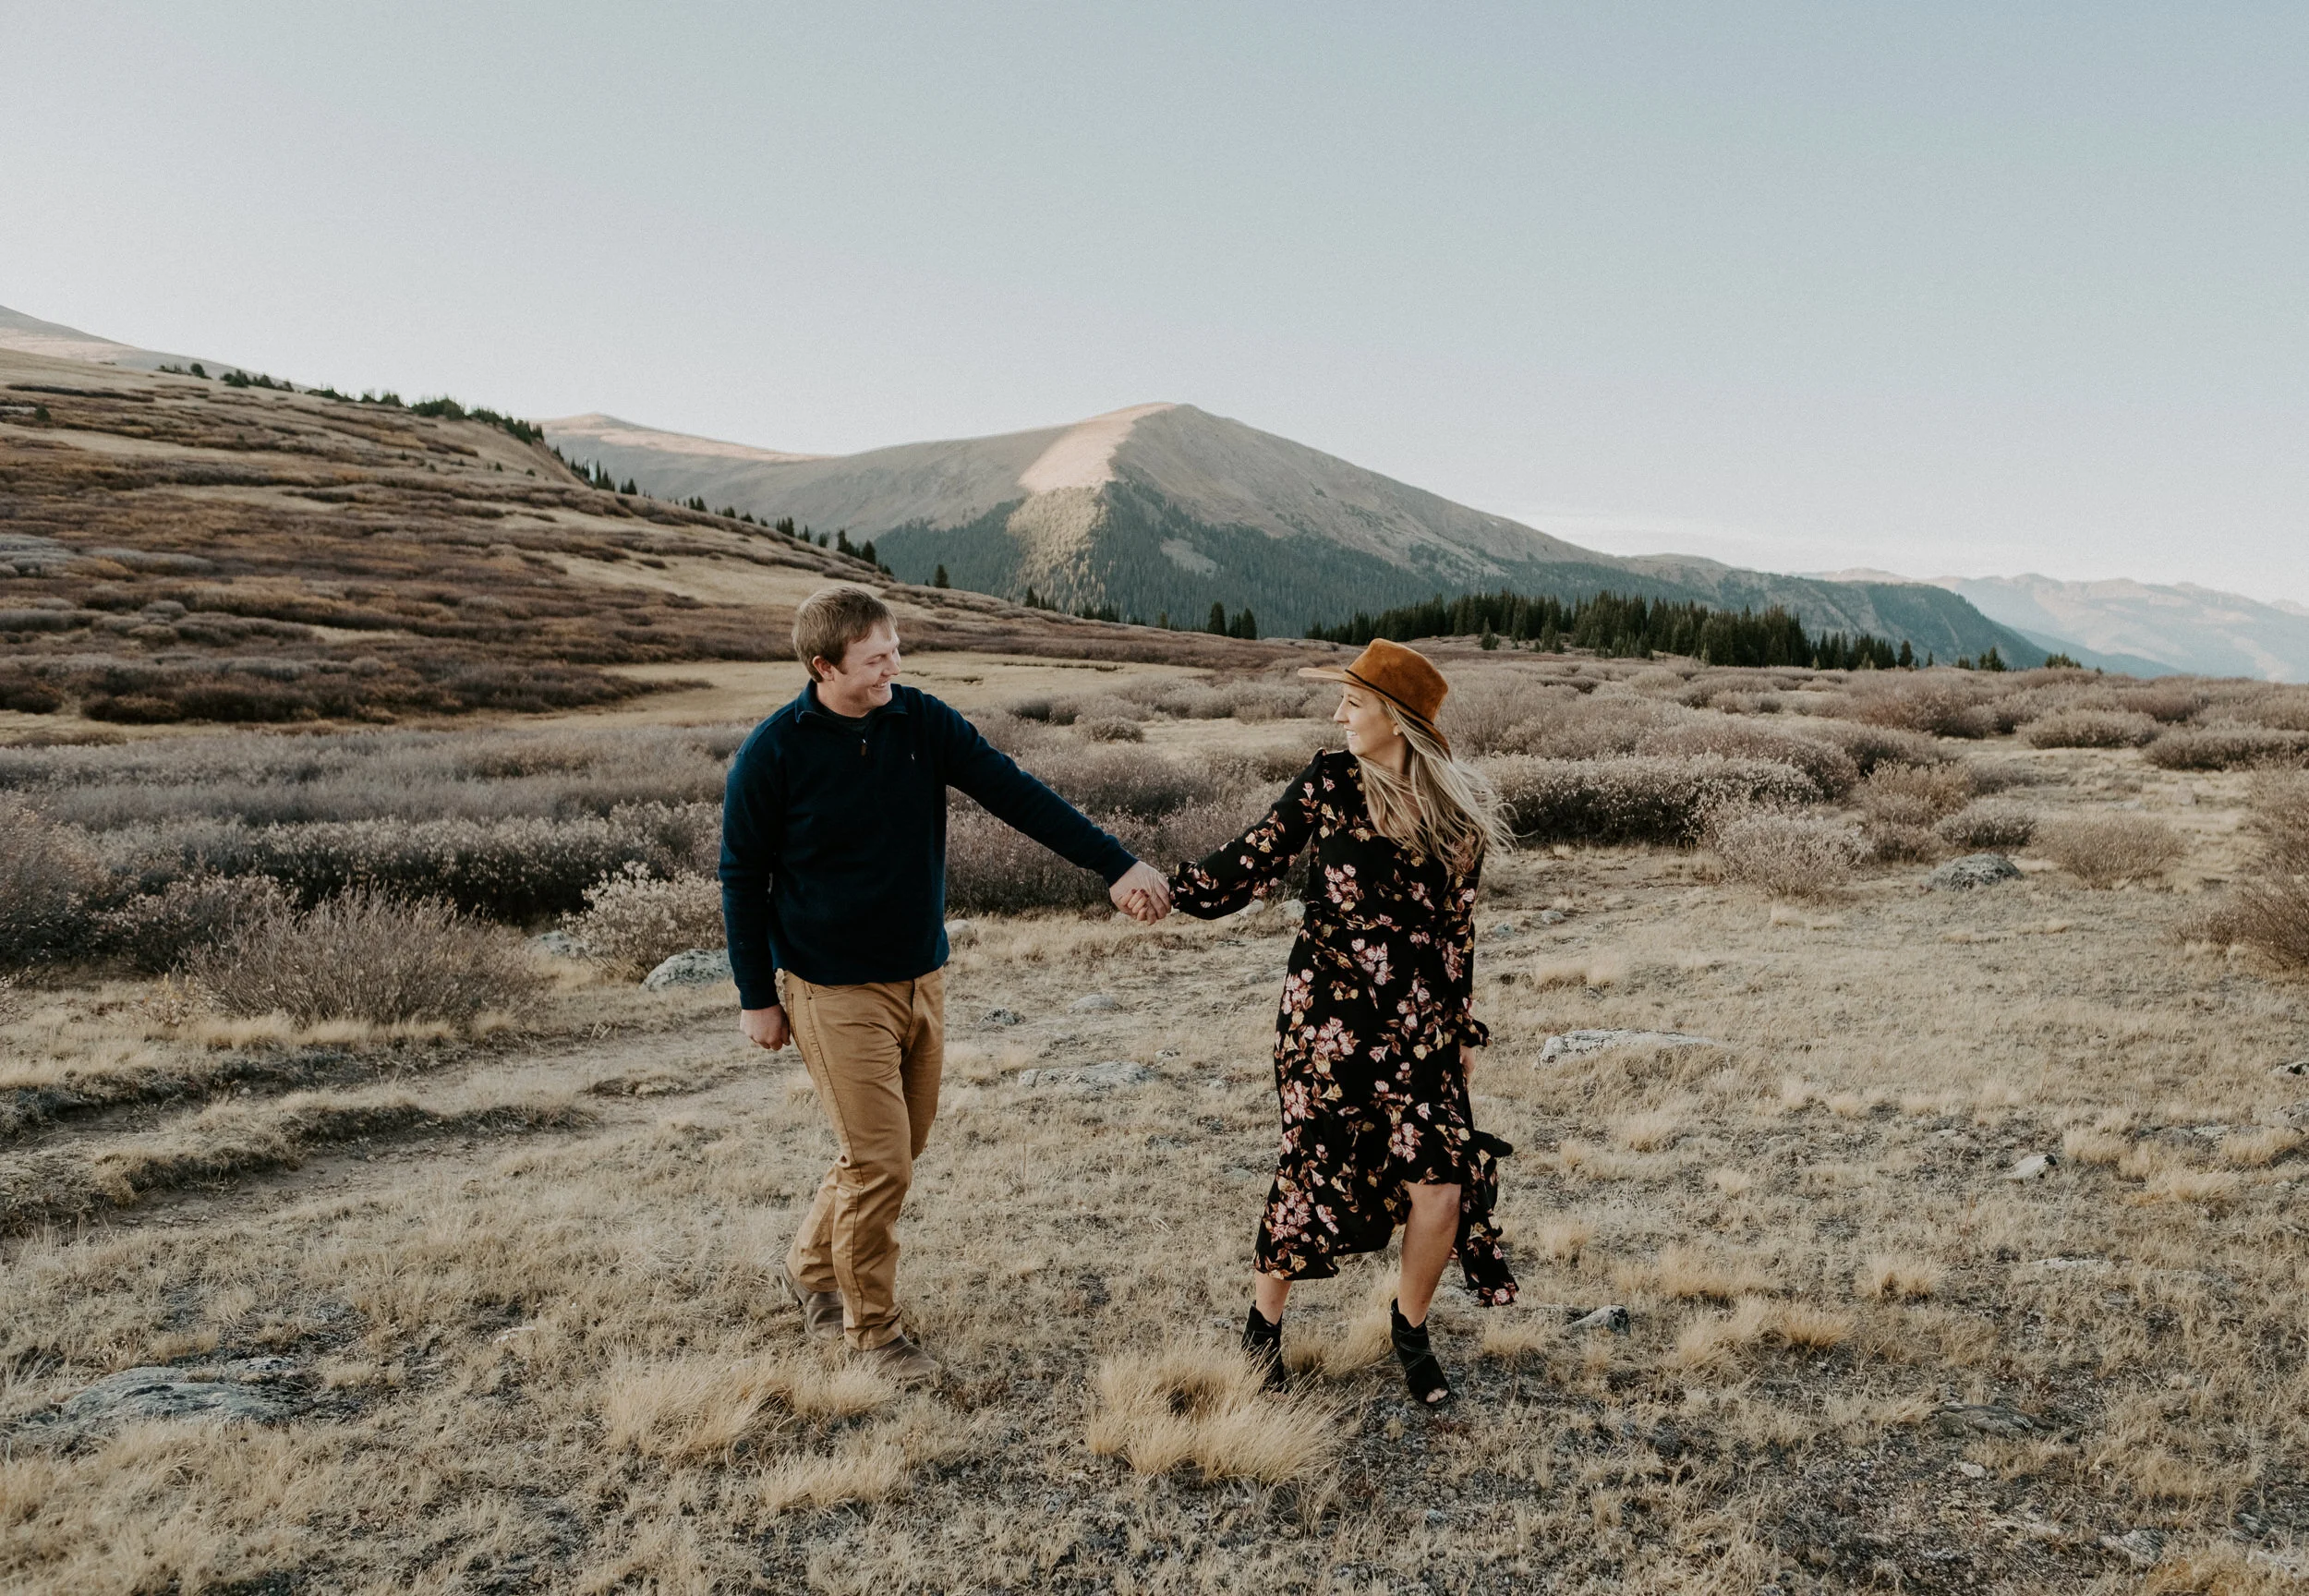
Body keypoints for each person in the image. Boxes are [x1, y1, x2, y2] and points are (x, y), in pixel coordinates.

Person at [720, 584, 1172, 1385]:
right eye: (875, 658)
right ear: (824, 667)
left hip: (921, 976)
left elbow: (1017, 795)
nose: (894, 665)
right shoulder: (773, 753)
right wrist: (757, 996)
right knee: (879, 1158)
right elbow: (740, 876)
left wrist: (1116, 863)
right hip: (830, 989)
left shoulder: (921, 721)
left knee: (891, 1150)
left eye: (896, 648)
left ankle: (812, 1269)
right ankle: (874, 1337)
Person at [1165, 639, 1517, 1406]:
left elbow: (1457, 934)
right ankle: (1263, 1329)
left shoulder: (1456, 814)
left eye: (1353, 702)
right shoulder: (1330, 782)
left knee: (1444, 1187)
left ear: (1397, 716)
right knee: (1312, 1164)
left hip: (1420, 1027)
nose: (1339, 714)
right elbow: (1251, 860)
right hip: (1327, 1019)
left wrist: (1460, 1034)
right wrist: (1164, 889)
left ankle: (1410, 1331)